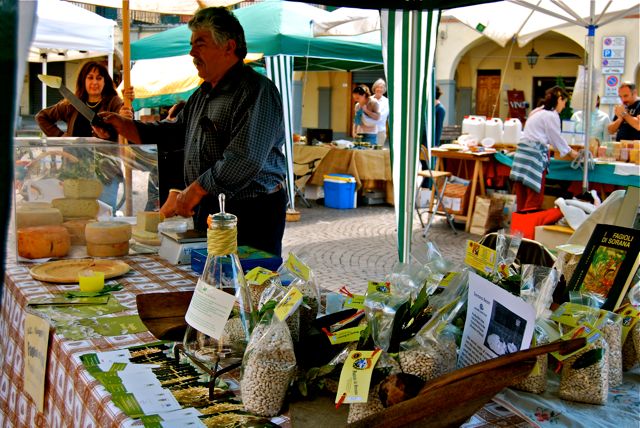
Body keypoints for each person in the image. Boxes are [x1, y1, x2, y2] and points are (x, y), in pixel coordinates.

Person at [97, 7, 287, 256]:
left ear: (229, 47)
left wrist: (195, 190)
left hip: (251, 212)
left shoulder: (256, 91)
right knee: (210, 275)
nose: (192, 53)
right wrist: (126, 127)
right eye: (192, 45)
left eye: (200, 44)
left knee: (249, 277)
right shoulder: (202, 94)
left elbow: (245, 157)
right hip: (211, 208)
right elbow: (174, 133)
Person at [35, 61, 134, 212]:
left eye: (99, 78)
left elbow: (125, 119)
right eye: (90, 77)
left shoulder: (114, 102)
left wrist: (127, 108)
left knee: (103, 217)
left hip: (106, 174)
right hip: (75, 173)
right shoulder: (71, 104)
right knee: (77, 216)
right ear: (83, 80)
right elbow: (42, 117)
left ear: (105, 81)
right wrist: (61, 136)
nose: (94, 82)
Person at [509, 86, 579, 212]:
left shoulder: (537, 111)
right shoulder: (551, 115)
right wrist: (571, 152)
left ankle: (519, 224)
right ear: (559, 99)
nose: (564, 106)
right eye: (564, 102)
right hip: (533, 158)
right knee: (534, 199)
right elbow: (555, 138)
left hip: (521, 156)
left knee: (522, 197)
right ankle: (529, 224)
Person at [371, 79, 389, 146]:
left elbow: (383, 116)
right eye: (377, 87)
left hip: (380, 131)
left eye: (381, 87)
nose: (379, 89)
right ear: (374, 88)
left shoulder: (387, 102)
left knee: (378, 151)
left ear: (384, 89)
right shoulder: (369, 99)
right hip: (368, 131)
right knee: (367, 150)